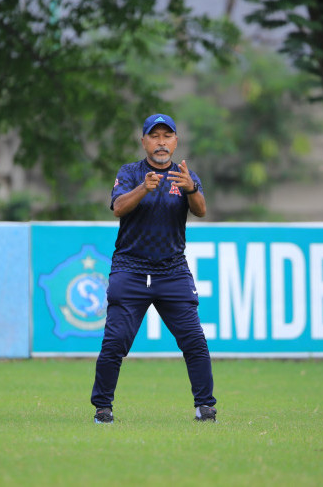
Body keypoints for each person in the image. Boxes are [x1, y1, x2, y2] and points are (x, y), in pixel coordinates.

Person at [90, 113, 217, 424]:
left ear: (175, 142)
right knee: (115, 342)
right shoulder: (131, 173)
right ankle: (102, 407)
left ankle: (205, 407)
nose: (161, 142)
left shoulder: (186, 175)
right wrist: (143, 189)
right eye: (155, 136)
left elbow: (200, 211)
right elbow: (118, 208)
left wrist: (191, 189)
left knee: (195, 341)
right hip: (130, 269)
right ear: (144, 141)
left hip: (172, 271)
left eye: (167, 136)